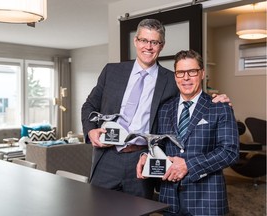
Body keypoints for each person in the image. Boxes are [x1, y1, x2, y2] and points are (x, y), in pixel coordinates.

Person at [81, 19, 230, 199]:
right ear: (136, 41)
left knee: (138, 211)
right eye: (144, 40)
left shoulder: (171, 80)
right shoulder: (112, 71)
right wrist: (90, 131)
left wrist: (215, 99)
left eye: (155, 42)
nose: (148, 47)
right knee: (98, 208)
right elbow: (89, 106)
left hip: (143, 161)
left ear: (162, 45)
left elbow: (192, 94)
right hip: (107, 157)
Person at [137, 50, 239, 215]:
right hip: (169, 198)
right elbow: (158, 145)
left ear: (202, 73)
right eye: (180, 72)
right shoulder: (164, 109)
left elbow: (230, 152)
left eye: (192, 72)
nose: (186, 78)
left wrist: (188, 165)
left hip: (207, 200)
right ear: (175, 75)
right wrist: (146, 157)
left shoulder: (220, 107)